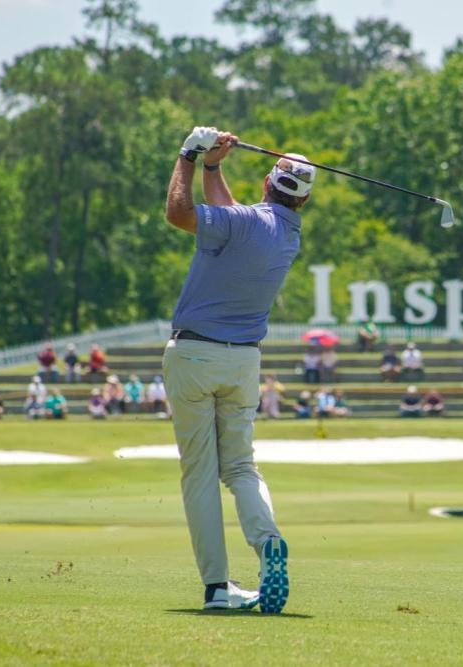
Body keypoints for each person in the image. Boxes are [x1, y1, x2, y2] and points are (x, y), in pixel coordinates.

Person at [163, 126, 304, 612]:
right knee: (241, 466)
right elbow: (230, 215)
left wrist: (188, 154)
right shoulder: (287, 235)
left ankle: (218, 589)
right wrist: (213, 167)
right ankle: (268, 544)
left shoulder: (242, 223)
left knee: (200, 473)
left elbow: (178, 213)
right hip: (244, 360)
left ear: (267, 184)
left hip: (194, 356)